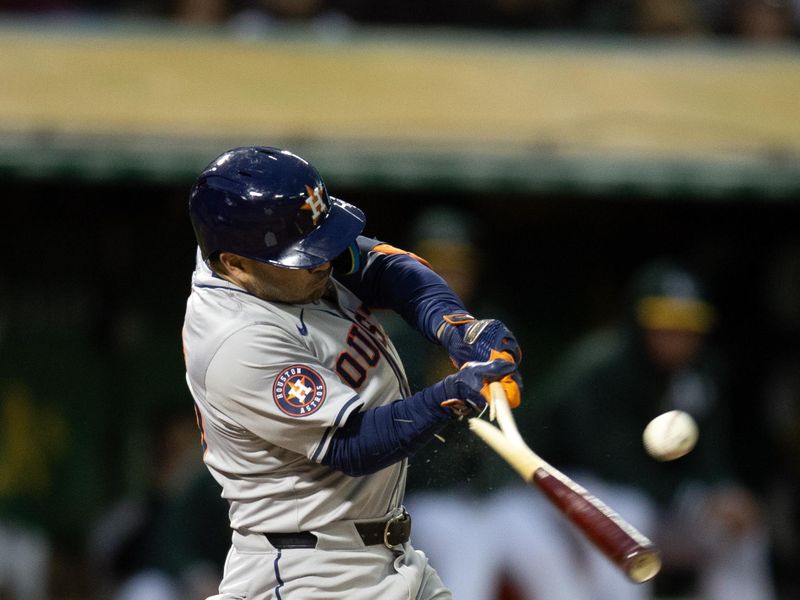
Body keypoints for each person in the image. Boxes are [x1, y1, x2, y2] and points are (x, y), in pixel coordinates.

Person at [181, 146, 523, 600]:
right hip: (314, 575)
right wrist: (453, 393)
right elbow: (352, 442)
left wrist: (455, 326)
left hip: (385, 555)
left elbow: (385, 267)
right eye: (304, 255)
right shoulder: (236, 340)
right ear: (235, 265)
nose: (323, 260)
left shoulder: (271, 264)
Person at [530, 258, 776, 600]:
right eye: (665, 324)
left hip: (655, 498)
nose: (677, 337)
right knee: (626, 517)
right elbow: (612, 463)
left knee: (738, 527)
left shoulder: (702, 372)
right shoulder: (603, 368)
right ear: (639, 321)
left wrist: (722, 491)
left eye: (687, 326)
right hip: (559, 497)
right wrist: (694, 499)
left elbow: (710, 457)